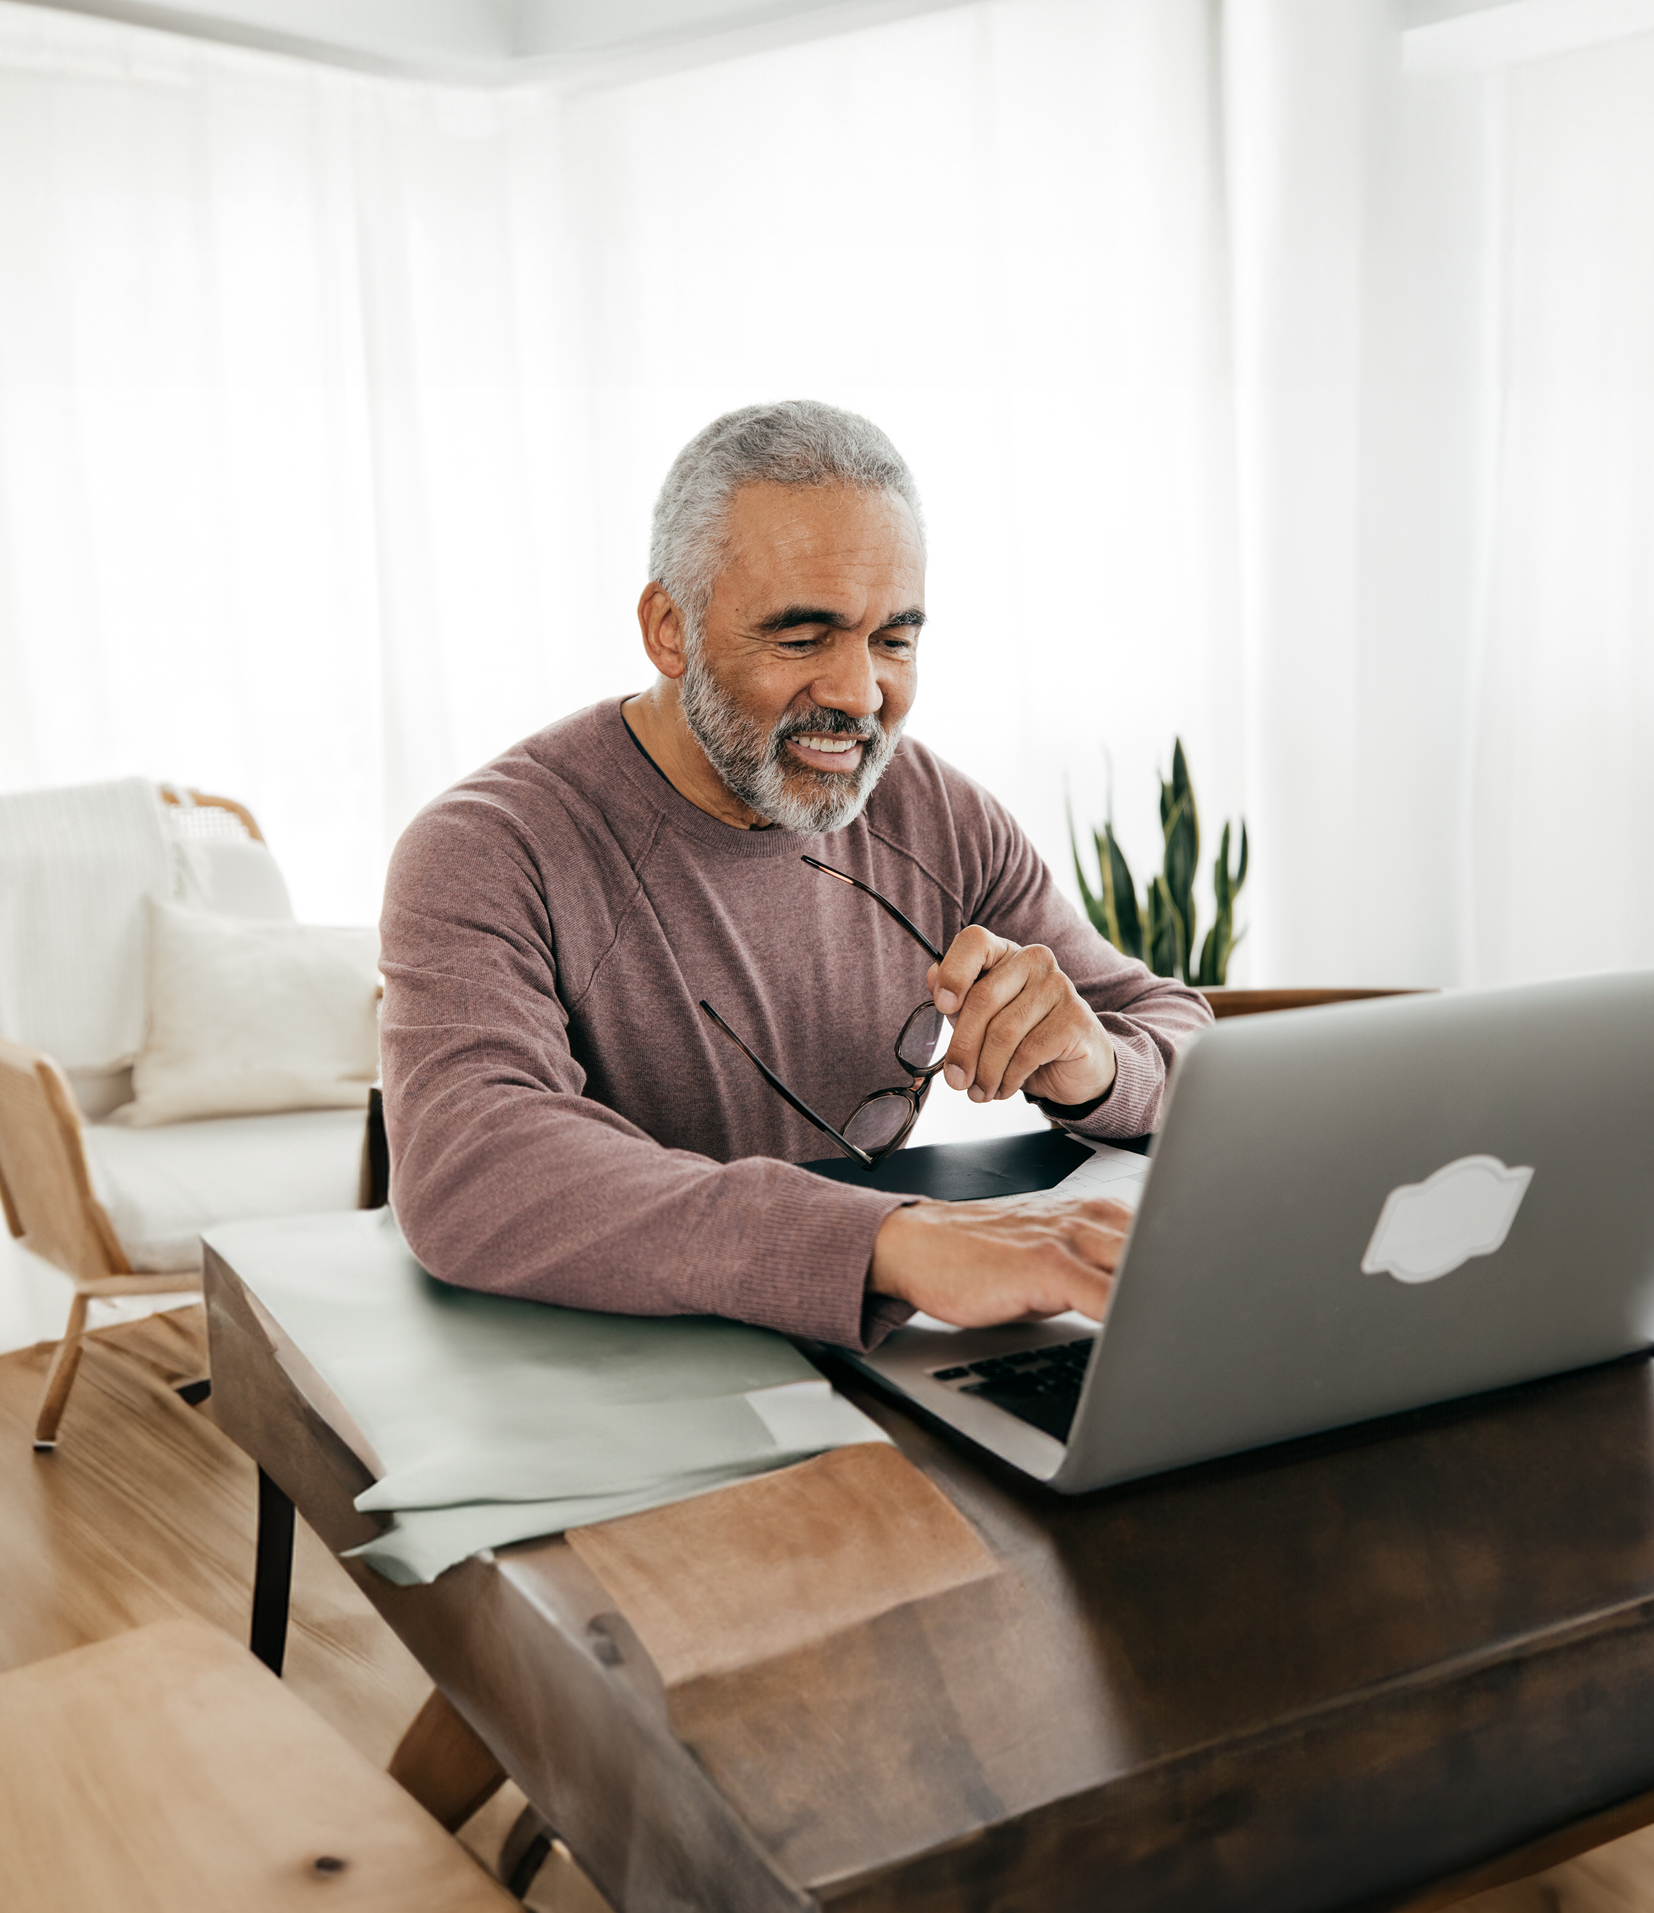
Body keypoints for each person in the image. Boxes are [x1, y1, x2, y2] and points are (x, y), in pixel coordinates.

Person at [378, 401, 1207, 1345]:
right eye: (804, 638)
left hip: (866, 1347)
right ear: (668, 629)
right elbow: (473, 1168)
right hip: (618, 1366)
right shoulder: (488, 847)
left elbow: (1179, 1032)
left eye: (894, 639)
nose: (860, 696)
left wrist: (1098, 1064)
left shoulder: (934, 810)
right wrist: (893, 1244)